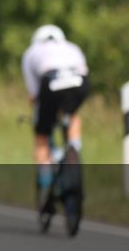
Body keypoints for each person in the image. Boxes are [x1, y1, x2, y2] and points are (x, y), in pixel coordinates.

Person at [21, 24, 90, 208]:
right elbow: (84, 71)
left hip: (51, 80)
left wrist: (40, 117)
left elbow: (34, 94)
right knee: (72, 115)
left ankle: (45, 186)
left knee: (42, 136)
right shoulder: (72, 47)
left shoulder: (31, 52)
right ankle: (74, 149)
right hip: (80, 81)